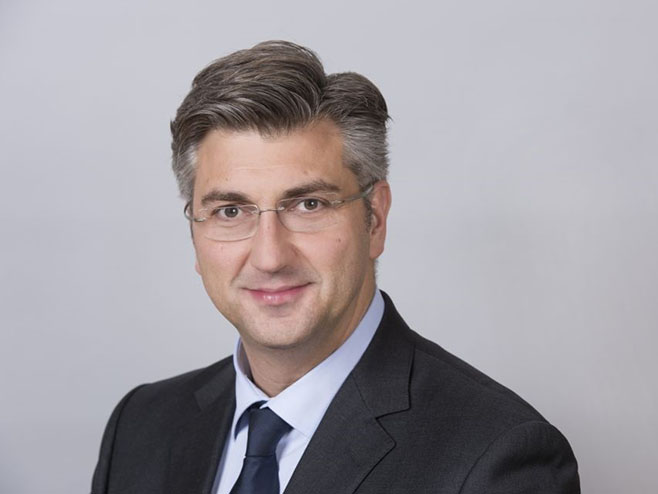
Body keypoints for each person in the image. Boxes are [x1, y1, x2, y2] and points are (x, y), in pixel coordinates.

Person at [91, 40, 580, 494]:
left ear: (375, 219)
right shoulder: (140, 426)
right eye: (231, 211)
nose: (270, 257)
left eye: (309, 205)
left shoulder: (497, 457)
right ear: (195, 233)